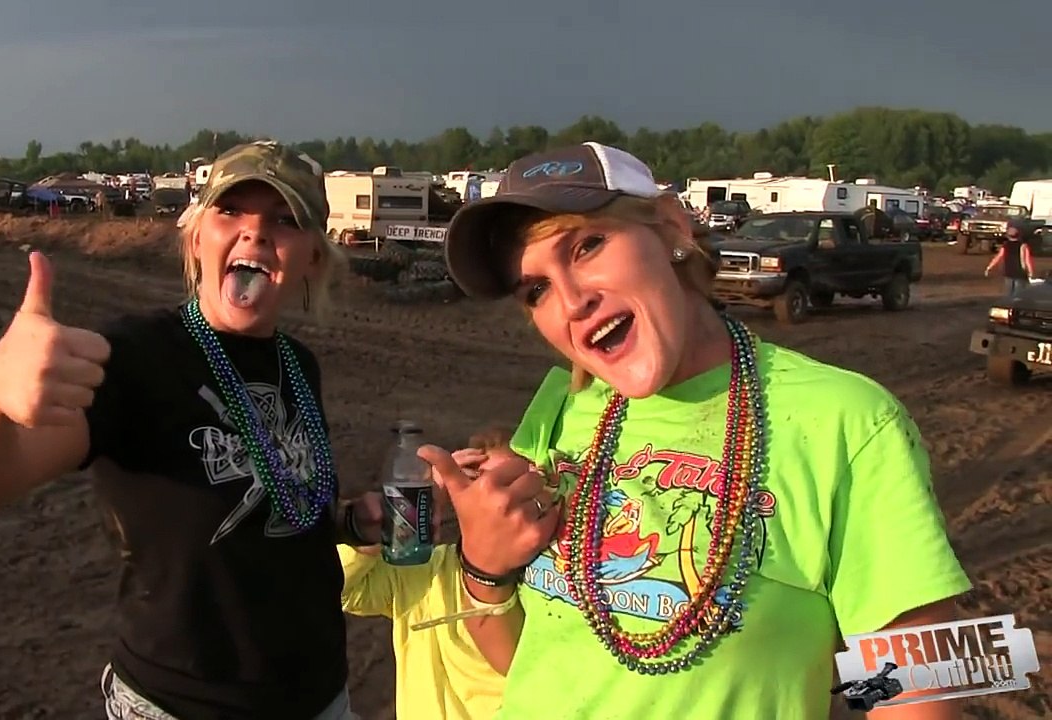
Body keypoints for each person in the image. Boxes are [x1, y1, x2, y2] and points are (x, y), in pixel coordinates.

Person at [418, 143, 971, 719]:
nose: (573, 302)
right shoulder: (559, 408)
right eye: (537, 290)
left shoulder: (849, 420)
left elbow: (923, 684)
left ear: (670, 228)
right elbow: (526, 659)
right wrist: (484, 567)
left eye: (587, 247)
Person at [0, 141, 377, 720]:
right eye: (230, 213)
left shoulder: (298, 365)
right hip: (181, 705)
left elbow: (276, 498)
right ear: (197, 240)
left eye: (283, 220)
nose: (254, 234)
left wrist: (344, 520)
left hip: (321, 699)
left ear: (314, 259)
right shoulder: (136, 357)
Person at [337, 425, 515, 720]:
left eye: (506, 485)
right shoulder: (425, 571)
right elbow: (341, 588)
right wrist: (383, 528)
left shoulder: (552, 586)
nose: (491, 501)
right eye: (477, 483)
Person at [984, 220, 1036, 297]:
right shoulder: (1023, 246)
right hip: (1020, 273)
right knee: (1019, 295)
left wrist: (989, 267)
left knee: (1008, 296)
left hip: (1008, 272)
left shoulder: (1005, 246)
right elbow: (1027, 260)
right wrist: (1031, 272)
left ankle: (1009, 308)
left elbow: (998, 257)